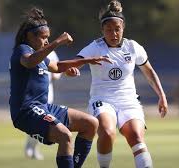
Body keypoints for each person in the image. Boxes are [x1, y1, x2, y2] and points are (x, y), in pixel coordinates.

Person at [9, 7, 111, 168]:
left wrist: (86, 60)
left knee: (91, 123)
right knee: (65, 136)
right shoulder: (23, 50)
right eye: (44, 38)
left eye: (48, 38)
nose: (47, 42)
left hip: (43, 107)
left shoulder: (39, 54)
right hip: (26, 111)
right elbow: (29, 62)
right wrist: (58, 42)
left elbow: (57, 66)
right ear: (30, 36)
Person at [75, 1, 168, 167]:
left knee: (137, 138)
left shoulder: (133, 47)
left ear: (123, 28)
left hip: (128, 101)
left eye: (117, 29)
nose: (113, 33)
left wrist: (162, 95)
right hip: (102, 100)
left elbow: (149, 72)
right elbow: (74, 64)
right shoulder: (95, 47)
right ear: (102, 30)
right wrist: (71, 70)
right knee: (108, 132)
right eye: (109, 30)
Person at [24, 50, 61, 160]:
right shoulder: (29, 52)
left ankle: (33, 147)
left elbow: (57, 72)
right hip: (33, 94)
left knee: (41, 123)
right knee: (37, 122)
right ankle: (31, 147)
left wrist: (55, 73)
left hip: (48, 93)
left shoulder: (52, 53)